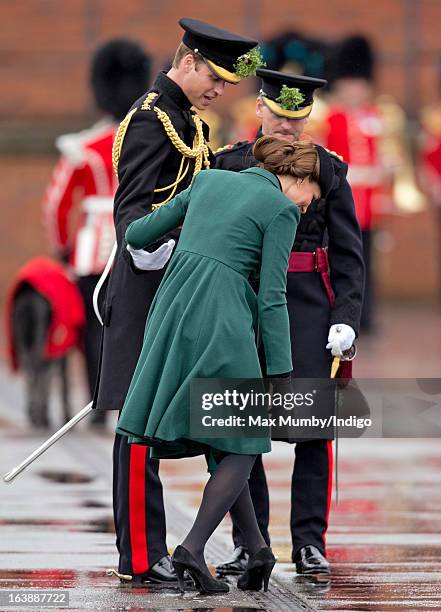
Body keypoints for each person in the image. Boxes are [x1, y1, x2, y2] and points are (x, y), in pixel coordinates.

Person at [91, 18, 264, 584]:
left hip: (182, 286)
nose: (219, 90)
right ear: (187, 61)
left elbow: (201, 189)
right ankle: (140, 556)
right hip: (147, 284)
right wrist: (168, 251)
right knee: (139, 426)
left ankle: (241, 544)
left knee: (194, 413)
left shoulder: (187, 120)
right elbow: (132, 211)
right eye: (214, 78)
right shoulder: (150, 119)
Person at [116, 135, 321, 594]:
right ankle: (191, 546)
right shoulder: (281, 211)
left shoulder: (207, 181)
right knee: (246, 440)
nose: (309, 207)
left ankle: (258, 548)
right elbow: (272, 299)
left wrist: (189, 250)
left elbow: (136, 235)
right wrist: (281, 375)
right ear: (298, 178)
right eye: (313, 195)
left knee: (227, 438)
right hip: (223, 320)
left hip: (171, 312)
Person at [215, 68, 364, 577]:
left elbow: (349, 254)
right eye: (279, 114)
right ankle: (248, 541)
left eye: (297, 118)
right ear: (259, 108)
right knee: (244, 425)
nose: (287, 126)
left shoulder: (330, 168)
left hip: (308, 306)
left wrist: (346, 318)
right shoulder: (229, 164)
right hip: (248, 302)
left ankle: (309, 542)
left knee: (314, 429)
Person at [42, 39, 151, 426]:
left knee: (95, 328)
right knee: (138, 323)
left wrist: (63, 247)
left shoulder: (84, 147)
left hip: (91, 247)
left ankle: (98, 404)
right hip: (142, 240)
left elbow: (56, 205)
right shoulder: (151, 139)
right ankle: (135, 402)